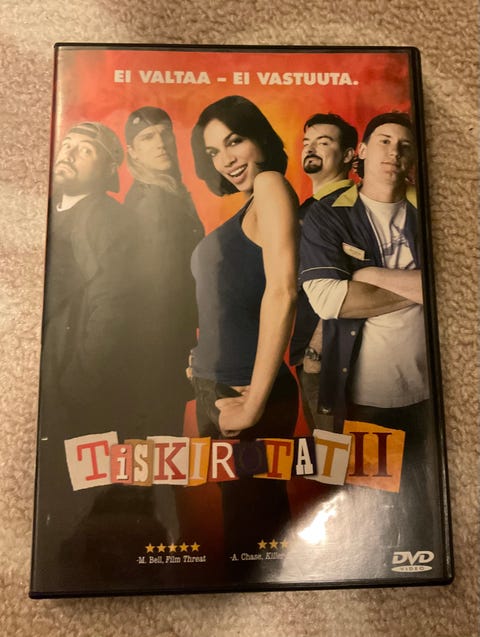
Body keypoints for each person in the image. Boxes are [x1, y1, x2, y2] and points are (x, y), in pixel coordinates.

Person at [299, 112, 434, 548]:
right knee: (372, 526)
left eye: (404, 145)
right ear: (361, 151)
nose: (394, 152)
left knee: (428, 518)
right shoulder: (328, 215)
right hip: (362, 399)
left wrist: (369, 275)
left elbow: (462, 285)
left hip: (431, 396)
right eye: (384, 141)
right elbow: (328, 300)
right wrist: (424, 288)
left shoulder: (432, 211)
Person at [190, 95, 299, 557]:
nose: (227, 160)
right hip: (215, 387)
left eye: (234, 141)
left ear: (260, 139)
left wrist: (254, 405)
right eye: (214, 151)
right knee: (244, 530)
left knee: (255, 540)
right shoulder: (247, 206)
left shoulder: (271, 184)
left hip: (246, 392)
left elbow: (283, 291)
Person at [124, 106, 204, 435]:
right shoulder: (152, 201)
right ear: (132, 151)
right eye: (147, 137)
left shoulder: (167, 191)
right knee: (156, 440)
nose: (160, 143)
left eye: (164, 134)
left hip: (165, 342)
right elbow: (160, 286)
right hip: (156, 348)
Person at [290, 114, 358, 431]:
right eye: (307, 142)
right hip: (308, 353)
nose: (310, 148)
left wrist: (317, 349)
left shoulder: (348, 204)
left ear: (348, 155)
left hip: (328, 357)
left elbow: (351, 279)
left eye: (324, 142)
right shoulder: (312, 206)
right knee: (328, 452)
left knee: (340, 453)